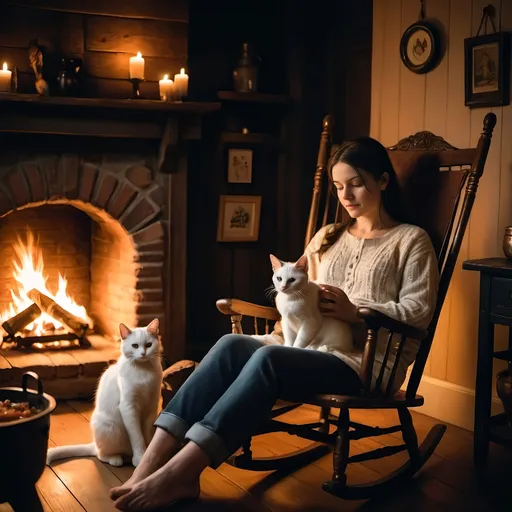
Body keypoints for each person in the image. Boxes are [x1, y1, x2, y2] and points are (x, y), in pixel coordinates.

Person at [109, 137, 439, 511]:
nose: (346, 195)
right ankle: (150, 463)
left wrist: (356, 312)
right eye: (338, 185)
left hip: (363, 363)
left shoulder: (411, 240)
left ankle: (183, 471)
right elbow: (296, 295)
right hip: (306, 344)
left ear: (382, 181)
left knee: (270, 361)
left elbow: (419, 310)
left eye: (357, 183)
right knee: (231, 345)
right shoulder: (328, 237)